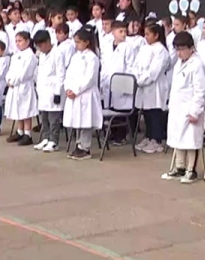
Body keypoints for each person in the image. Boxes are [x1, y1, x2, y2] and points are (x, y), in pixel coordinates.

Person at [162, 32, 205, 184]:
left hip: (190, 109)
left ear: (191, 48)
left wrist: (195, 111)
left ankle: (191, 169)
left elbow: (200, 90)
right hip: (177, 108)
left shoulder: (196, 65)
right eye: (177, 49)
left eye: (182, 49)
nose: (179, 53)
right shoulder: (178, 64)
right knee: (178, 139)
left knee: (190, 140)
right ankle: (179, 167)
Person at [63, 29, 102, 160]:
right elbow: (68, 74)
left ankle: (85, 147)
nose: (76, 45)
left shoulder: (92, 58)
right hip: (73, 93)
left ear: (87, 42)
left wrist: (77, 90)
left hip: (86, 94)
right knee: (77, 119)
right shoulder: (75, 57)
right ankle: (78, 144)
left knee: (85, 120)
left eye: (78, 42)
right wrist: (68, 88)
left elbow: (89, 78)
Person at [135, 24, 171, 154]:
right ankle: (148, 136)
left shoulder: (161, 50)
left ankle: (157, 140)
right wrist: (137, 77)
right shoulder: (144, 48)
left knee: (155, 112)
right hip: (143, 86)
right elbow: (136, 65)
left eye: (148, 34)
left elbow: (154, 71)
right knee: (147, 112)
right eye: (145, 34)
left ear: (156, 35)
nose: (146, 37)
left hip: (155, 86)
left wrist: (141, 80)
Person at [100, 20, 137, 145]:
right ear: (113, 32)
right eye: (120, 31)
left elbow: (130, 66)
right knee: (111, 107)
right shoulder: (106, 45)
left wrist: (125, 84)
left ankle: (121, 136)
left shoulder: (128, 47)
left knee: (121, 110)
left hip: (122, 83)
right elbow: (104, 64)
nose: (123, 34)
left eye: (125, 31)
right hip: (107, 82)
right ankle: (113, 133)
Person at [32, 30, 65, 152]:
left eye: (41, 45)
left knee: (53, 117)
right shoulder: (41, 55)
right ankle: (45, 138)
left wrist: (57, 92)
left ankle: (53, 141)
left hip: (53, 89)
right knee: (44, 116)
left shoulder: (58, 54)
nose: (40, 48)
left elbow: (61, 74)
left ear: (47, 42)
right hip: (43, 89)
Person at [4, 31, 39, 146]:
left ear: (27, 41)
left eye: (20, 41)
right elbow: (11, 70)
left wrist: (14, 81)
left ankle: (27, 134)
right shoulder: (16, 55)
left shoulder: (30, 56)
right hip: (14, 86)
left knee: (25, 110)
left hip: (24, 86)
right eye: (16, 41)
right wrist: (8, 79)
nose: (18, 43)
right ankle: (20, 131)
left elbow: (25, 73)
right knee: (17, 109)